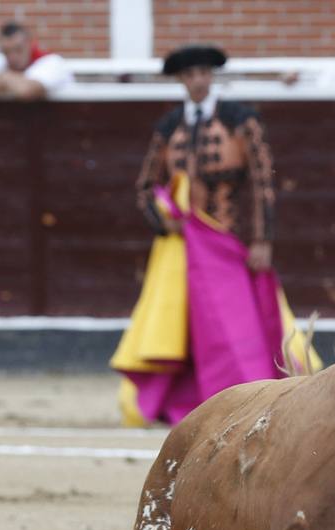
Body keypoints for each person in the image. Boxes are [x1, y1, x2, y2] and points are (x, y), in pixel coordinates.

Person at [112, 44, 319, 426]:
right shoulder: (169, 126)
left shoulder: (241, 119)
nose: (197, 81)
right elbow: (144, 186)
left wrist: (261, 240)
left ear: (212, 76)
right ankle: (189, 402)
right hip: (181, 250)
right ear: (181, 80)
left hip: (231, 243)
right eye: (189, 75)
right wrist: (163, 222)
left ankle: (251, 395)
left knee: (241, 327)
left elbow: (262, 183)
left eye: (203, 73)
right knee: (184, 327)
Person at [0, 21, 72, 100]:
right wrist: (10, 83)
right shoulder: (0, 59)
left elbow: (26, 91)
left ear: (30, 44)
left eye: (18, 49)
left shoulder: (52, 61)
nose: (12, 56)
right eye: (7, 51)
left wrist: (4, 77)